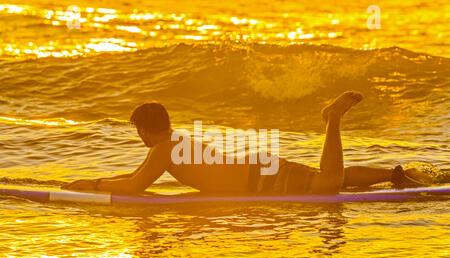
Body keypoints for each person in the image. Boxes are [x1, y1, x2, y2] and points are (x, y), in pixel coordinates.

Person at [62, 92, 432, 194]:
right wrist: (96, 183)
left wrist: (92, 187)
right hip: (259, 168)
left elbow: (135, 185)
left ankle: (332, 118)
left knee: (329, 183)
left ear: (145, 129)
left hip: (262, 178)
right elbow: (137, 175)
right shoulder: (172, 142)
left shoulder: (164, 149)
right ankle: (397, 175)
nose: (137, 137)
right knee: (330, 178)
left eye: (136, 130)